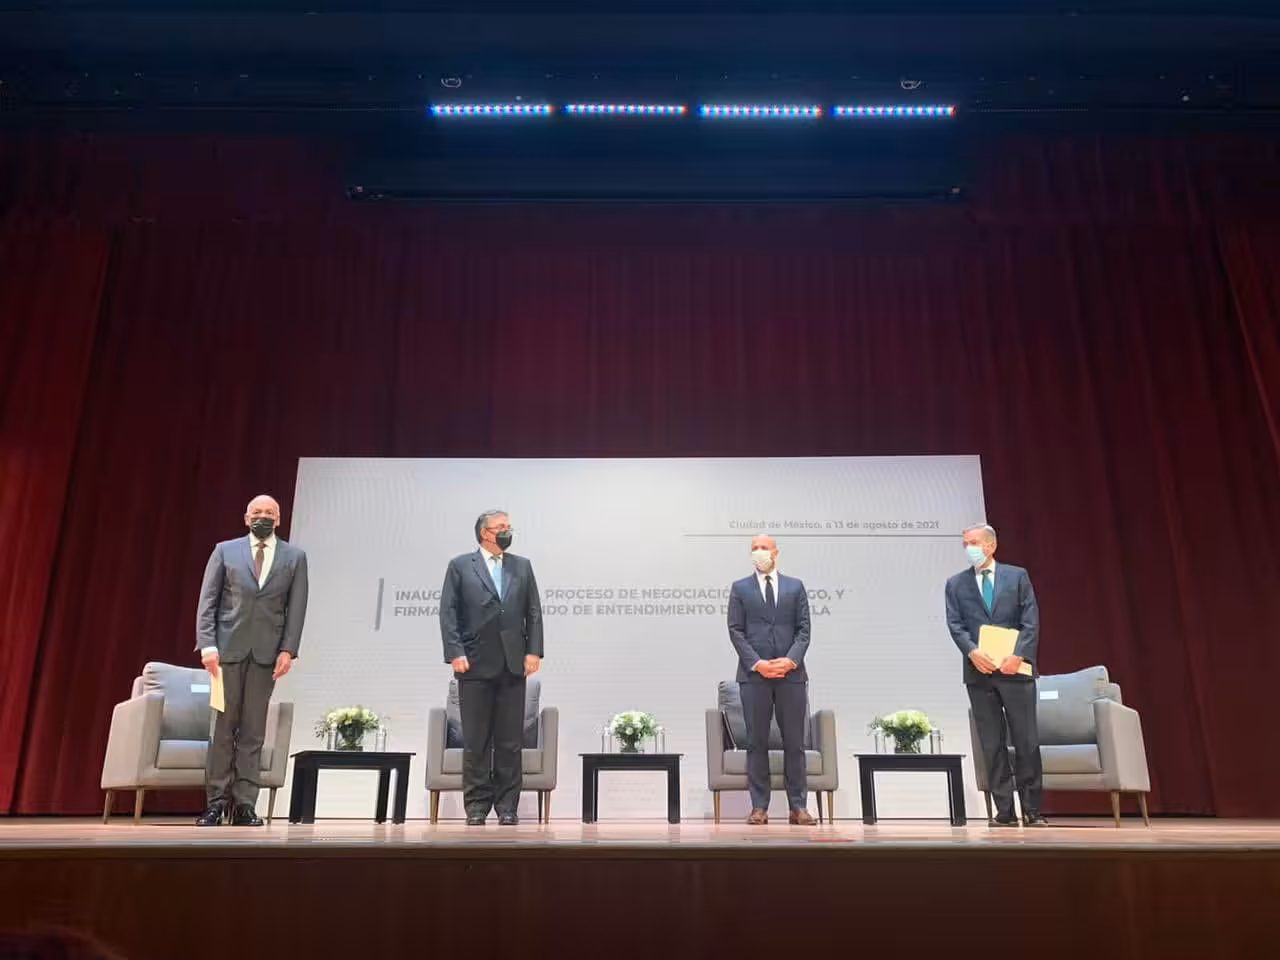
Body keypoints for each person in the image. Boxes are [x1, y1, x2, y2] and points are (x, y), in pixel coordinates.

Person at [195, 494, 308, 826]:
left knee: (253, 732)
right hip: (225, 653)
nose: (263, 516)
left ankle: (245, 804)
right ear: (246, 518)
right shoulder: (225, 550)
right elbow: (209, 601)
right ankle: (216, 803)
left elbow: (296, 608)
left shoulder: (295, 556)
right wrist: (207, 646)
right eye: (257, 512)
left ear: (279, 519)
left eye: (269, 512)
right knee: (222, 729)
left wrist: (288, 649)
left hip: (266, 655)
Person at [440, 510, 544, 825]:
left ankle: (508, 807)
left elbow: (534, 611)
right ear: (485, 533)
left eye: (509, 526)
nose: (507, 530)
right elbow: (448, 611)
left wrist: (534, 651)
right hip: (472, 663)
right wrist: (454, 652)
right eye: (501, 527)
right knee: (476, 741)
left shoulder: (522, 566)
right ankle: (476, 807)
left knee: (510, 741)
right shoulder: (460, 566)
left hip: (513, 664)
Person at [944, 523, 1046, 827]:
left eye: (973, 542)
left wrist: (1019, 655)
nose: (968, 548)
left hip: (1015, 670)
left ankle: (1032, 810)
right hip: (980, 673)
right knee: (992, 743)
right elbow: (955, 624)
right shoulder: (955, 583)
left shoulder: (1017, 577)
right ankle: (1004, 811)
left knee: (1026, 741)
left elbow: (1031, 620)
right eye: (965, 544)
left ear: (991, 546)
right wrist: (972, 652)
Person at [726, 534, 815, 825]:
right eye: (754, 548)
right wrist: (759, 664)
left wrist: (790, 661)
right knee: (756, 742)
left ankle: (798, 806)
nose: (759, 552)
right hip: (755, 677)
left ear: (776, 552)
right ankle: (759, 807)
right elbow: (735, 630)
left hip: (792, 676)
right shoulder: (740, 588)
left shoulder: (795, 586)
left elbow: (804, 630)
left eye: (764, 547)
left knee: (794, 743)